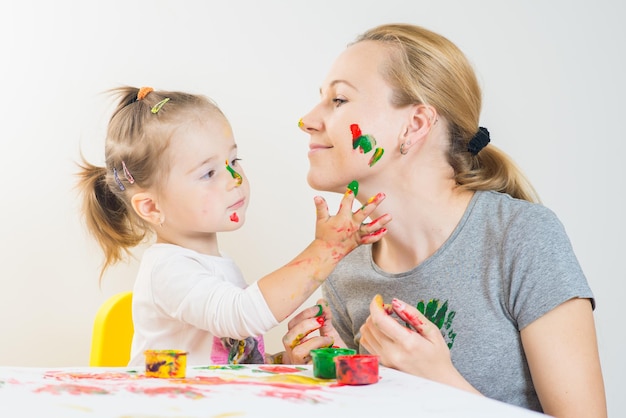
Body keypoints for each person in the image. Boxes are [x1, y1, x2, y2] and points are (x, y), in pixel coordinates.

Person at [290, 23, 607, 417]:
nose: (307, 120)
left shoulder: (520, 237)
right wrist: (318, 380)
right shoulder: (345, 268)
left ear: (417, 124)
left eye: (338, 99)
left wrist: (440, 381)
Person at [77, 86, 391, 367]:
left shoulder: (219, 268)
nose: (235, 179)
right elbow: (240, 316)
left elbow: (229, 367)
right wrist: (325, 250)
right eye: (208, 174)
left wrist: (282, 361)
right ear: (151, 207)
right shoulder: (166, 270)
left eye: (234, 161)